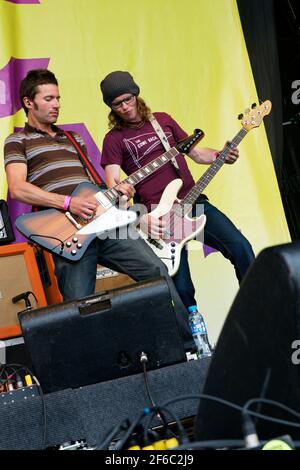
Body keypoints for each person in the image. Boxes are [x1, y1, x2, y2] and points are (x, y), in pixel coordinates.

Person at [4, 68, 194, 350]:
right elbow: (18, 188)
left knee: (157, 270)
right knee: (79, 305)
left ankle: (188, 347)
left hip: (105, 223)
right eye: (49, 99)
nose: (57, 104)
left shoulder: (73, 139)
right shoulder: (17, 141)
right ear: (28, 103)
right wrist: (69, 203)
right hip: (68, 233)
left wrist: (118, 193)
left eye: (58, 98)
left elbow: (93, 186)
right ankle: (91, 379)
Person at [100, 71, 255, 311]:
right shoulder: (113, 139)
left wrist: (219, 155)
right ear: (111, 108)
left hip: (193, 202)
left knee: (241, 247)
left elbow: (196, 153)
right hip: (159, 219)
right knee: (181, 288)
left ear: (136, 95)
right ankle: (195, 341)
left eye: (127, 99)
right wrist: (122, 194)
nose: (125, 107)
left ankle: (261, 306)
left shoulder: (162, 121)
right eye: (117, 104)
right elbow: (112, 180)